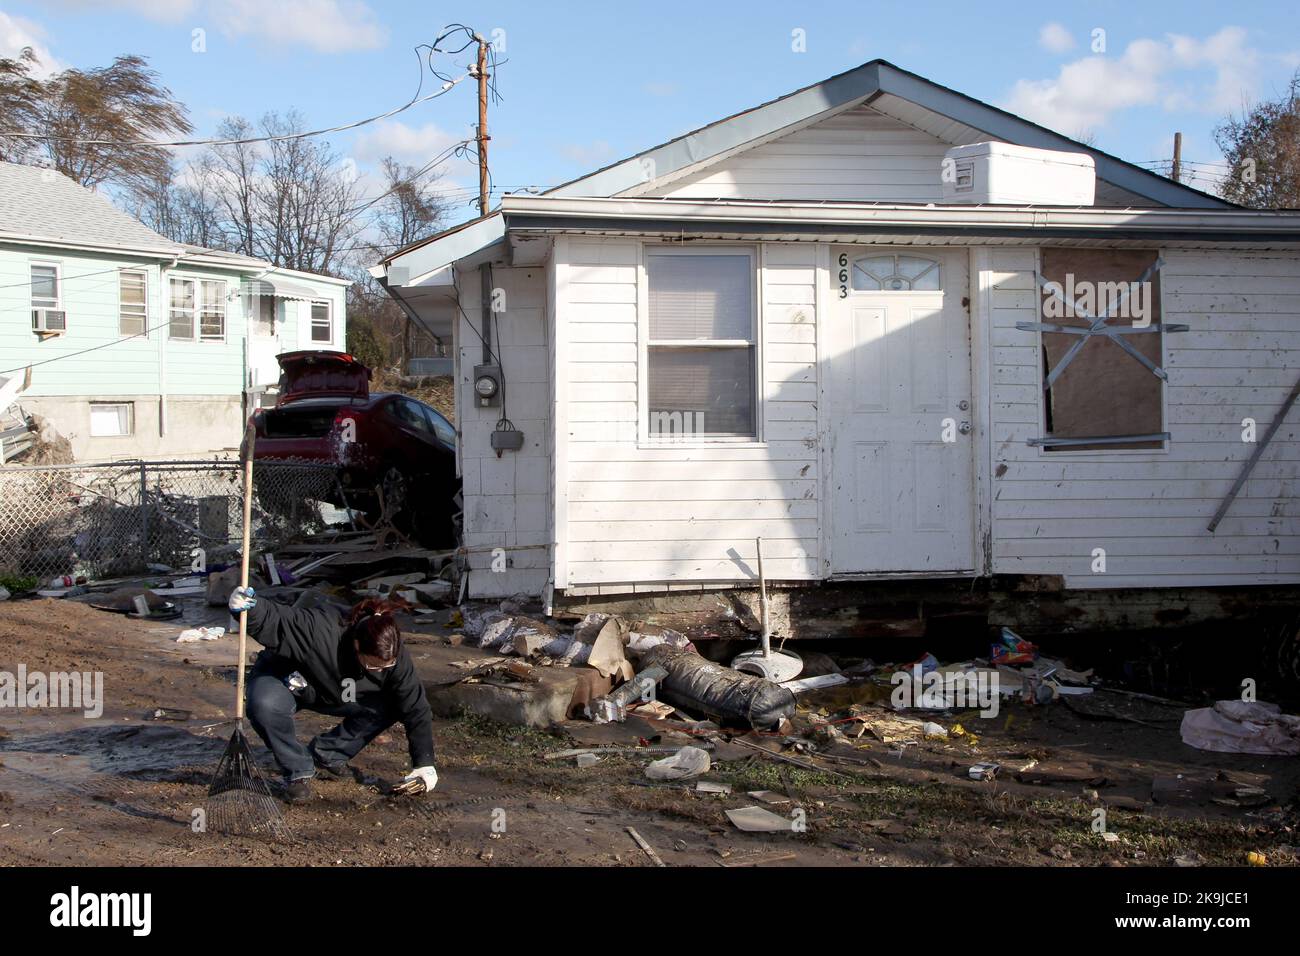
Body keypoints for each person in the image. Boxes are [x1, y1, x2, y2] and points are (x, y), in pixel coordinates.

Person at [229, 586, 438, 804]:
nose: (381, 671)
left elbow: (416, 706)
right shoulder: (320, 628)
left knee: (395, 702)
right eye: (373, 666)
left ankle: (328, 754)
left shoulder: (393, 655)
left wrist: (424, 763)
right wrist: (249, 609)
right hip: (290, 681)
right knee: (264, 703)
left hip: (340, 692)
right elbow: (277, 619)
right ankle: (297, 770)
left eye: (387, 666)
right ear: (357, 646)